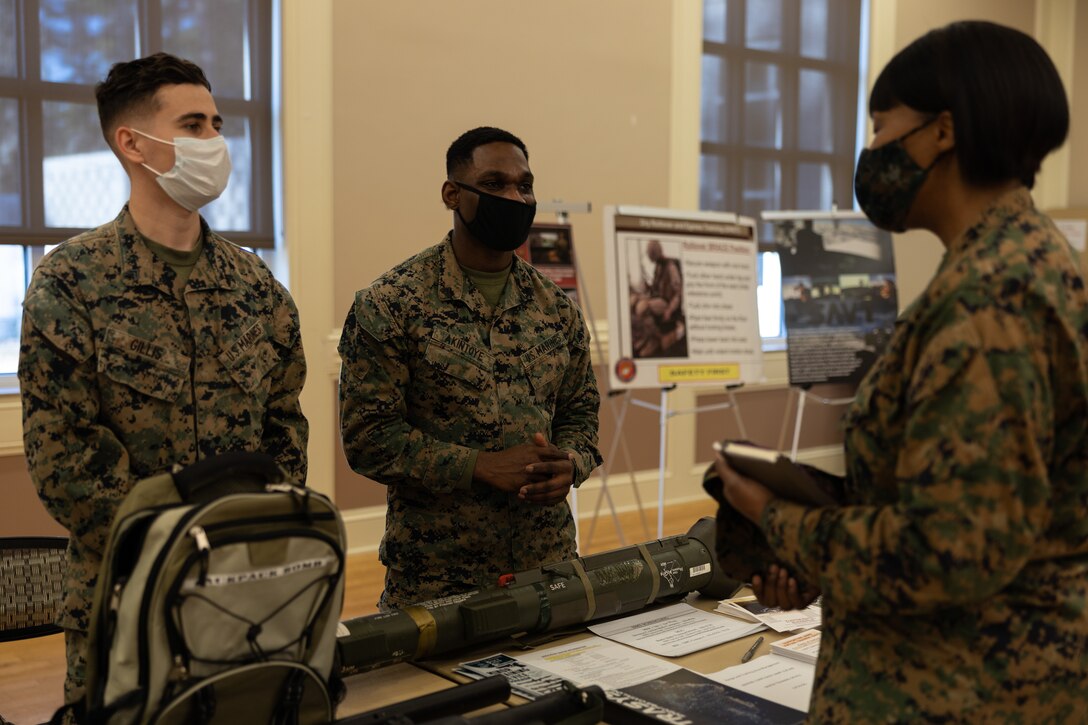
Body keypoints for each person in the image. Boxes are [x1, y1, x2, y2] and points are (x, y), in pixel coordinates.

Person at [712, 21, 1087, 721]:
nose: (873, 149)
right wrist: (825, 561)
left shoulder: (987, 300)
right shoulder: (1015, 262)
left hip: (962, 687)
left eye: (881, 125)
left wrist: (775, 515)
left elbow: (946, 549)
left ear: (942, 132)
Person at [18, 53, 308, 710]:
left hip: (249, 592)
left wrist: (252, 539)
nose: (214, 141)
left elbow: (284, 427)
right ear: (132, 142)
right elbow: (64, 455)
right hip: (127, 598)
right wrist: (178, 544)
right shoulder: (72, 283)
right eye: (194, 124)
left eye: (216, 123)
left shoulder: (257, 288)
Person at [338, 126, 602, 609]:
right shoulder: (392, 303)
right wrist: (478, 467)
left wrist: (572, 465)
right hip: (437, 578)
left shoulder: (556, 309)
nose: (515, 197)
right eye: (496, 183)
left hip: (547, 567)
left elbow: (581, 416)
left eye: (525, 185)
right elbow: (369, 439)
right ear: (452, 194)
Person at [630, 239, 686, 357]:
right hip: (659, 299)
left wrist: (669, 310)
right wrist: (648, 287)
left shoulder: (670, 266)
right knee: (633, 301)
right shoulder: (658, 266)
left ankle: (656, 340)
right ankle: (648, 336)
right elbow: (656, 289)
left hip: (667, 303)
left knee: (642, 307)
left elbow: (678, 292)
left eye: (650, 253)